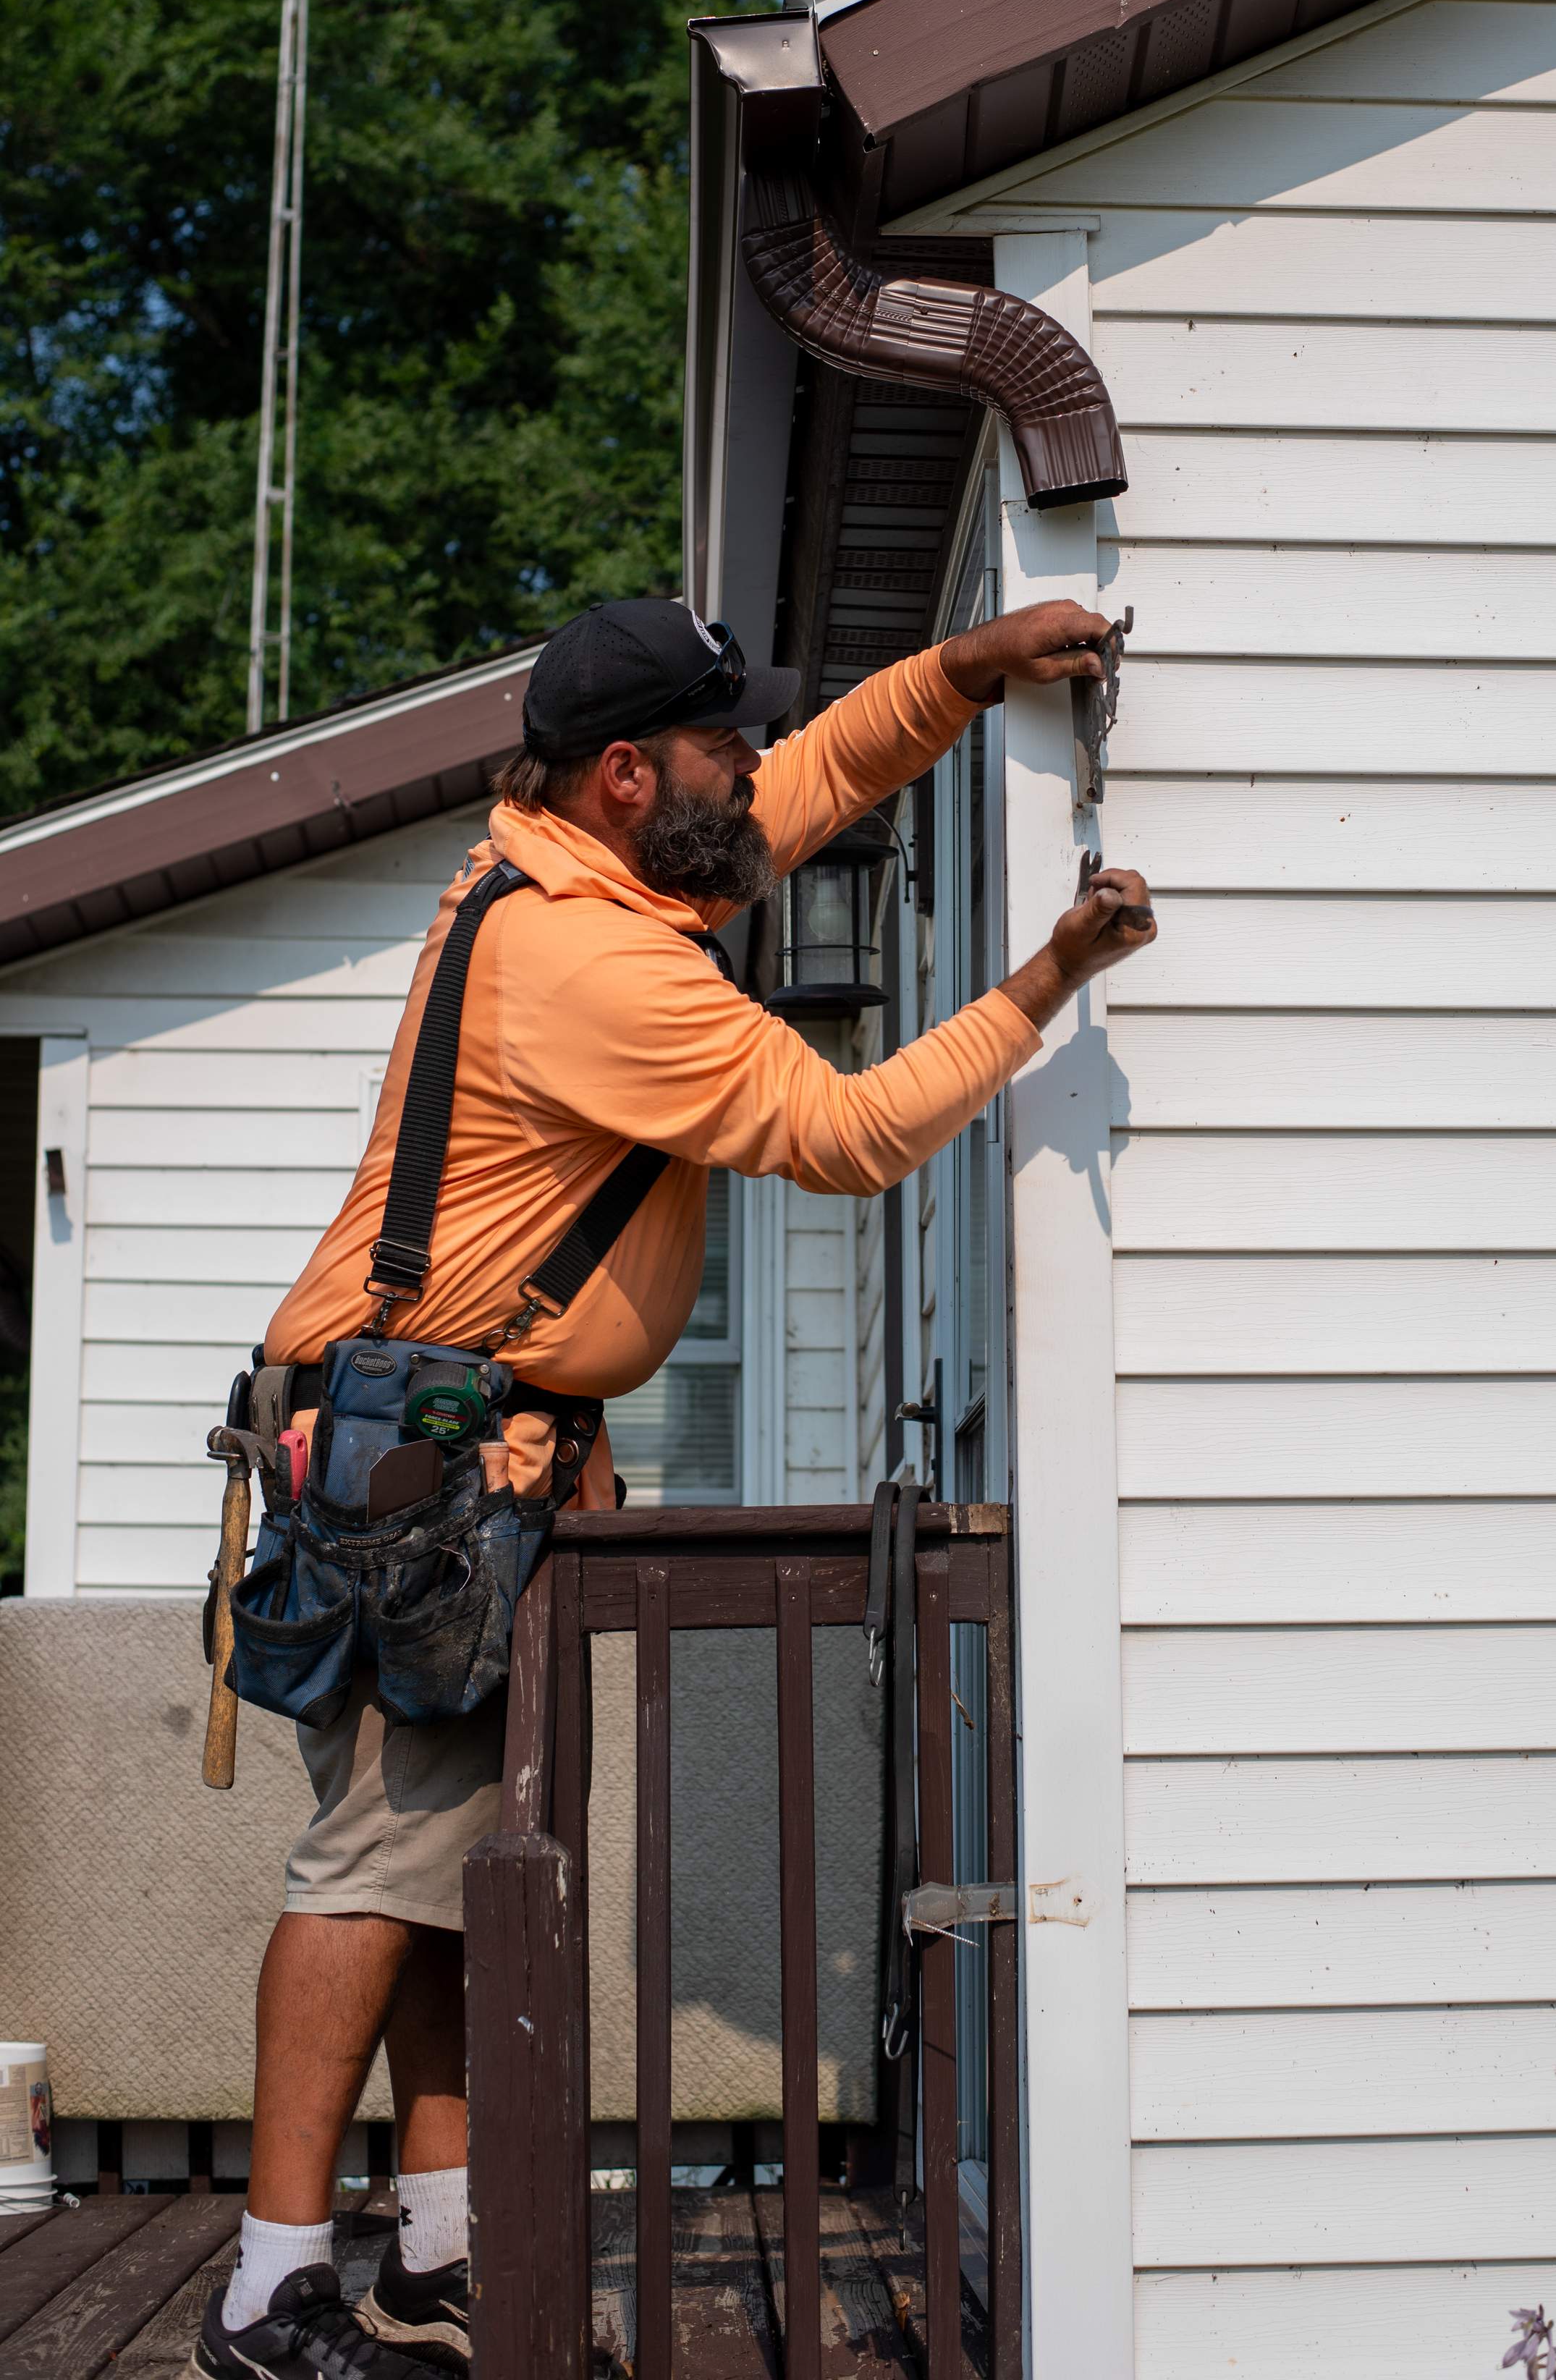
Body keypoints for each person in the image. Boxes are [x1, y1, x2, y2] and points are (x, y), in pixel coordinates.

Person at [196, 593, 1157, 2379]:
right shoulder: (597, 964)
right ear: (630, 775)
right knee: (363, 1872)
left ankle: (437, 2248)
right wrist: (1046, 981)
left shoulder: (585, 877)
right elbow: (852, 1137)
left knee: (434, 1878)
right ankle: (268, 2289)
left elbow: (803, 789)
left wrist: (960, 671)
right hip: (417, 1462)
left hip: (445, 1446)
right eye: (721, 742)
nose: (755, 770)